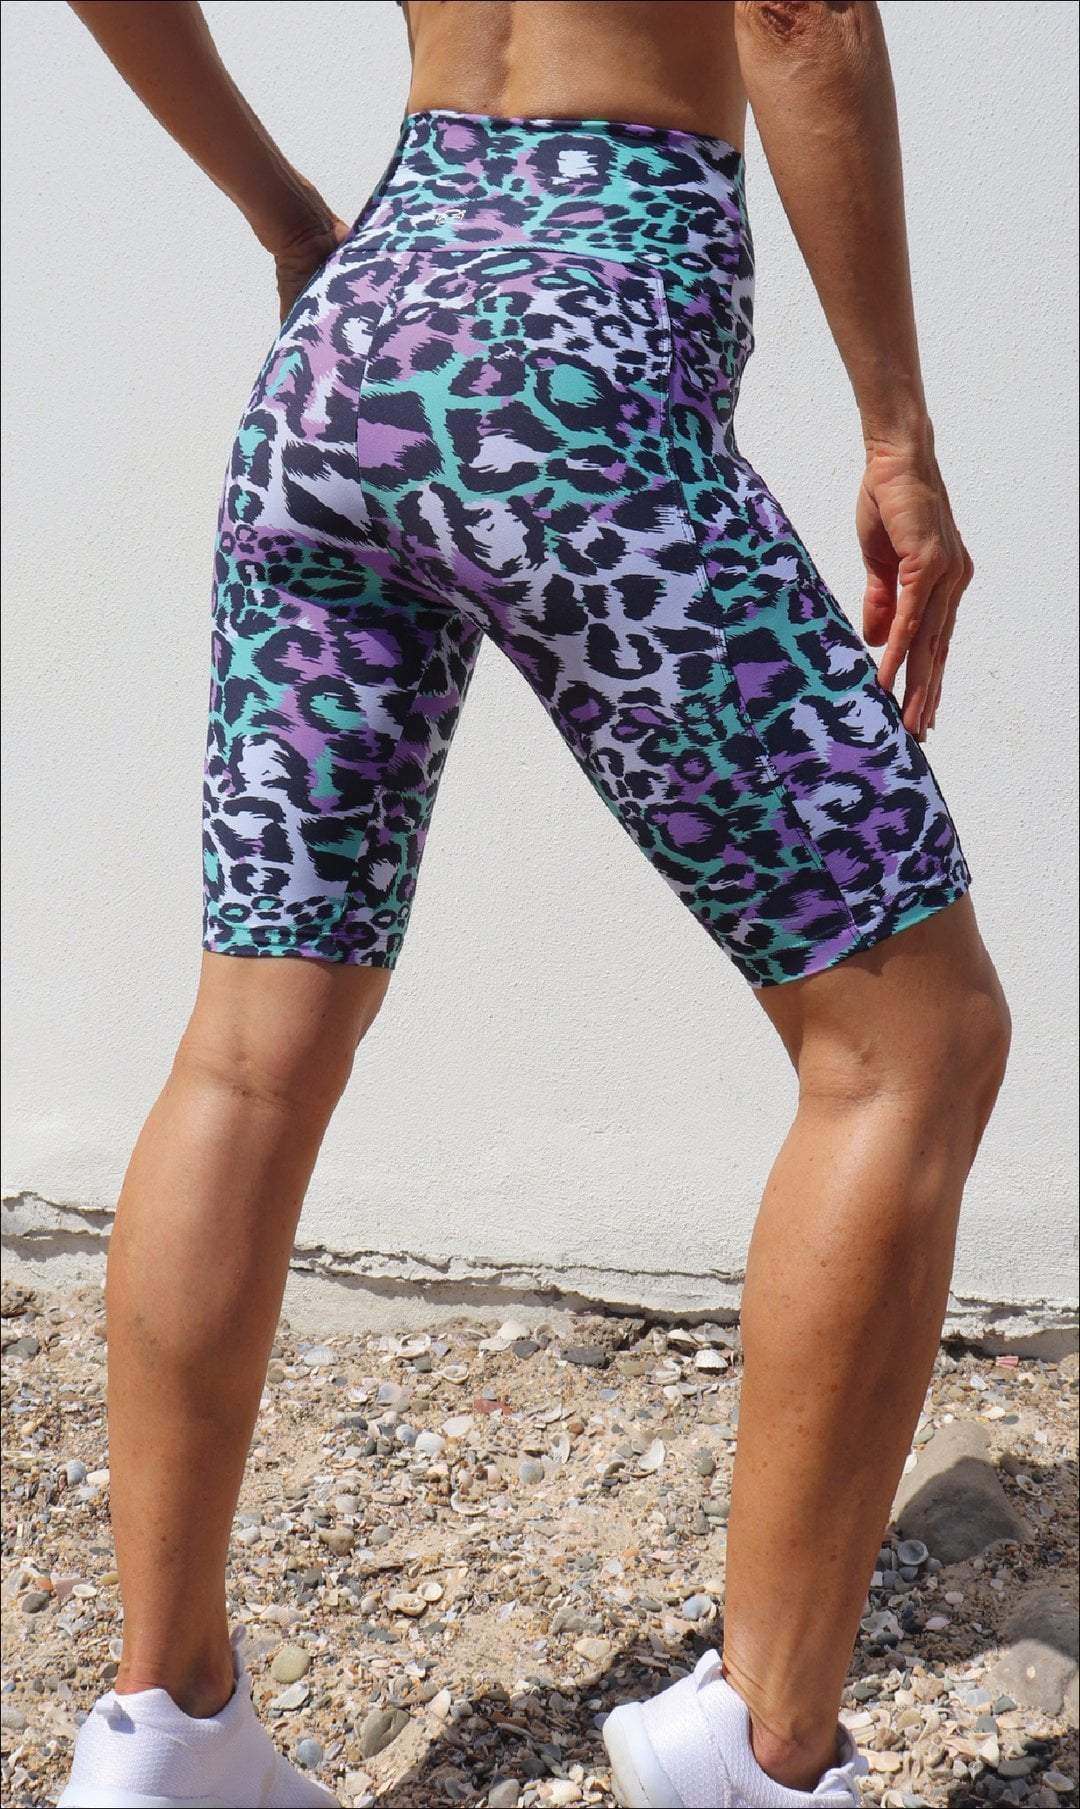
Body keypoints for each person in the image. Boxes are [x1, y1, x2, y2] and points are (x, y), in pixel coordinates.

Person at [53, 3, 1011, 1806]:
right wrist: (897, 432)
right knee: (914, 1037)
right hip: (572, 361)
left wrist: (283, 213)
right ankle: (760, 1746)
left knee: (252, 1046)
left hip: (350, 344)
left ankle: (163, 1729)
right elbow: (794, 15)